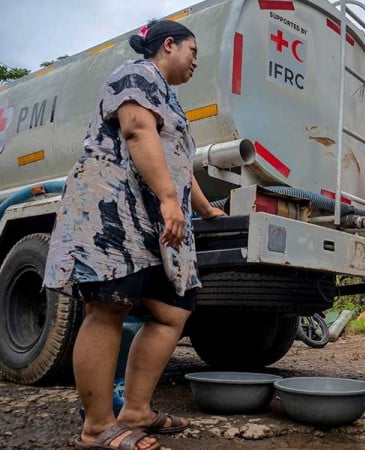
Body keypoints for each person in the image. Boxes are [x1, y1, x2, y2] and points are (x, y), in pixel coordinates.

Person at [44, 20, 225, 450]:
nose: (196, 61)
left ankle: (137, 411)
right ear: (168, 45)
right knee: (109, 307)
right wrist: (167, 199)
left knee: (172, 312)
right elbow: (137, 130)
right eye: (192, 51)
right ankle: (96, 427)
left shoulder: (171, 99)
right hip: (114, 204)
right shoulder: (136, 74)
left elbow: (177, 159)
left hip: (153, 216)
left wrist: (202, 207)